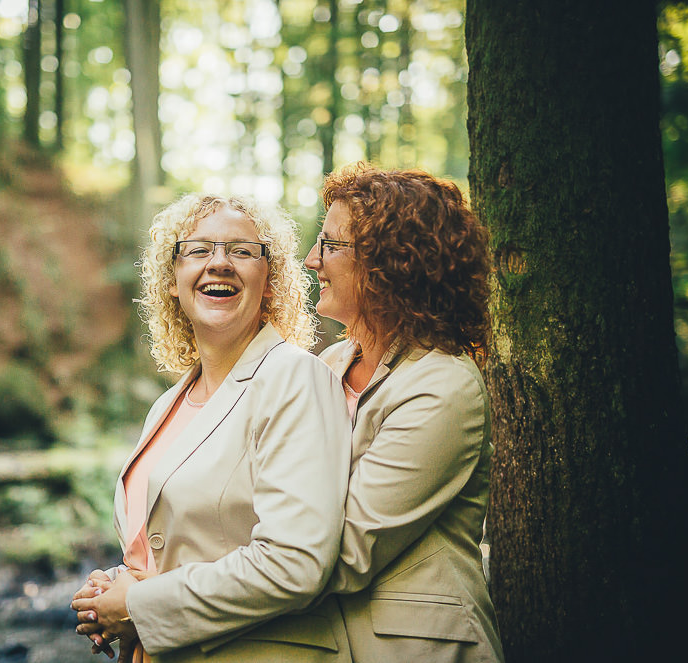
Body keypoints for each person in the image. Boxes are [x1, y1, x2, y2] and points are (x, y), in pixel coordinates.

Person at [71, 193, 353, 662]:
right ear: (172, 280)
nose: (219, 263)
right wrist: (116, 590)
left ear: (272, 279)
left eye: (241, 251)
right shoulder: (167, 403)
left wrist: (139, 605)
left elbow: (295, 563)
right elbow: (176, 546)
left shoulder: (295, 377)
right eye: (199, 250)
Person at [304, 163, 505, 662]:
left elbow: (347, 553)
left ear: (389, 263)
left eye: (331, 245)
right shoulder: (325, 366)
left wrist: (169, 595)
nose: (312, 260)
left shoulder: (443, 387)